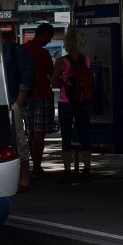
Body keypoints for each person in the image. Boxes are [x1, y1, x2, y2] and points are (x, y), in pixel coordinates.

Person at [51, 27, 92, 183]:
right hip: (83, 102)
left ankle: (67, 171)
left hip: (66, 102)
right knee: (85, 135)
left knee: (66, 136)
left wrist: (60, 81)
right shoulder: (86, 60)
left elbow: (54, 82)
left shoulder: (61, 61)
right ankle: (87, 169)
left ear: (67, 42)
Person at [2, 32, 34, 191]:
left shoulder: (15, 49)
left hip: (12, 100)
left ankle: (24, 178)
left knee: (19, 139)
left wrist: (19, 101)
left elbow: (27, 75)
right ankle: (17, 178)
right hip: (0, 101)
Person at [23, 23, 55, 179]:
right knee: (39, 132)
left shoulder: (23, 50)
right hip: (42, 95)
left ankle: (32, 164)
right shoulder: (43, 54)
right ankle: (37, 166)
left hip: (26, 96)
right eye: (48, 37)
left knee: (31, 131)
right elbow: (52, 75)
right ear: (43, 34)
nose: (48, 41)